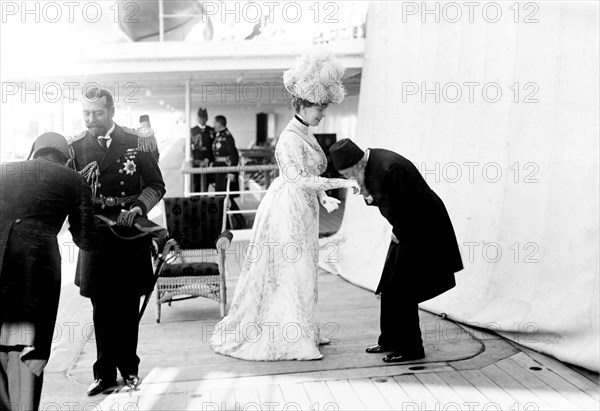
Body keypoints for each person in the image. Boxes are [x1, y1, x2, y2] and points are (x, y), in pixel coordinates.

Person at [210, 52, 359, 361]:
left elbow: (311, 175)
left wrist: (323, 197)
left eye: (324, 108)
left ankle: (304, 328)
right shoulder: (287, 139)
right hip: (287, 211)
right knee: (293, 271)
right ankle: (293, 336)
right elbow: (300, 178)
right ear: (302, 105)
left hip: (304, 208)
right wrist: (342, 184)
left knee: (305, 271)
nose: (322, 114)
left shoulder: (306, 133)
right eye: (320, 108)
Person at [329, 138, 464, 363]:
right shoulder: (371, 164)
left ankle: (411, 349)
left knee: (403, 289)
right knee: (389, 286)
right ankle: (389, 340)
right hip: (408, 226)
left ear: (357, 165)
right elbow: (385, 198)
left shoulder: (390, 168)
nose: (349, 180)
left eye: (348, 174)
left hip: (424, 228)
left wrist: (399, 232)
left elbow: (413, 207)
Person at [69, 87, 166, 396]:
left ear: (110, 111)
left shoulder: (135, 141)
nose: (91, 119)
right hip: (96, 237)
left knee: (127, 306)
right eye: (86, 113)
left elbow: (156, 183)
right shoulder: (74, 147)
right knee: (101, 308)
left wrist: (138, 207)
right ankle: (103, 374)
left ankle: (130, 370)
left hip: (130, 234)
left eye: (97, 113)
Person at [0, 133, 98, 410]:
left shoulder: (4, 169)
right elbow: (86, 239)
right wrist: (87, 198)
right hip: (33, 268)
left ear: (33, 153)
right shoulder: (72, 177)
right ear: (67, 159)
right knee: (26, 351)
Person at [211, 115, 245, 229]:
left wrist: (231, 172)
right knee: (222, 196)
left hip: (225, 172)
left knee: (225, 196)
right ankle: (228, 221)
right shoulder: (219, 135)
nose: (213, 125)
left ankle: (239, 221)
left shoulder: (227, 136)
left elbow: (234, 156)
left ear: (219, 123)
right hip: (219, 171)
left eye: (214, 123)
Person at [190, 108, 215, 192]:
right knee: (196, 185)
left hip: (208, 161)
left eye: (204, 118)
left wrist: (207, 159)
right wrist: (197, 160)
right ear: (197, 118)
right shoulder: (192, 131)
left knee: (206, 184)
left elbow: (213, 147)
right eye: (200, 118)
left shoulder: (211, 130)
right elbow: (189, 148)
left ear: (207, 118)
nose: (202, 120)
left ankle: (204, 202)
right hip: (197, 161)